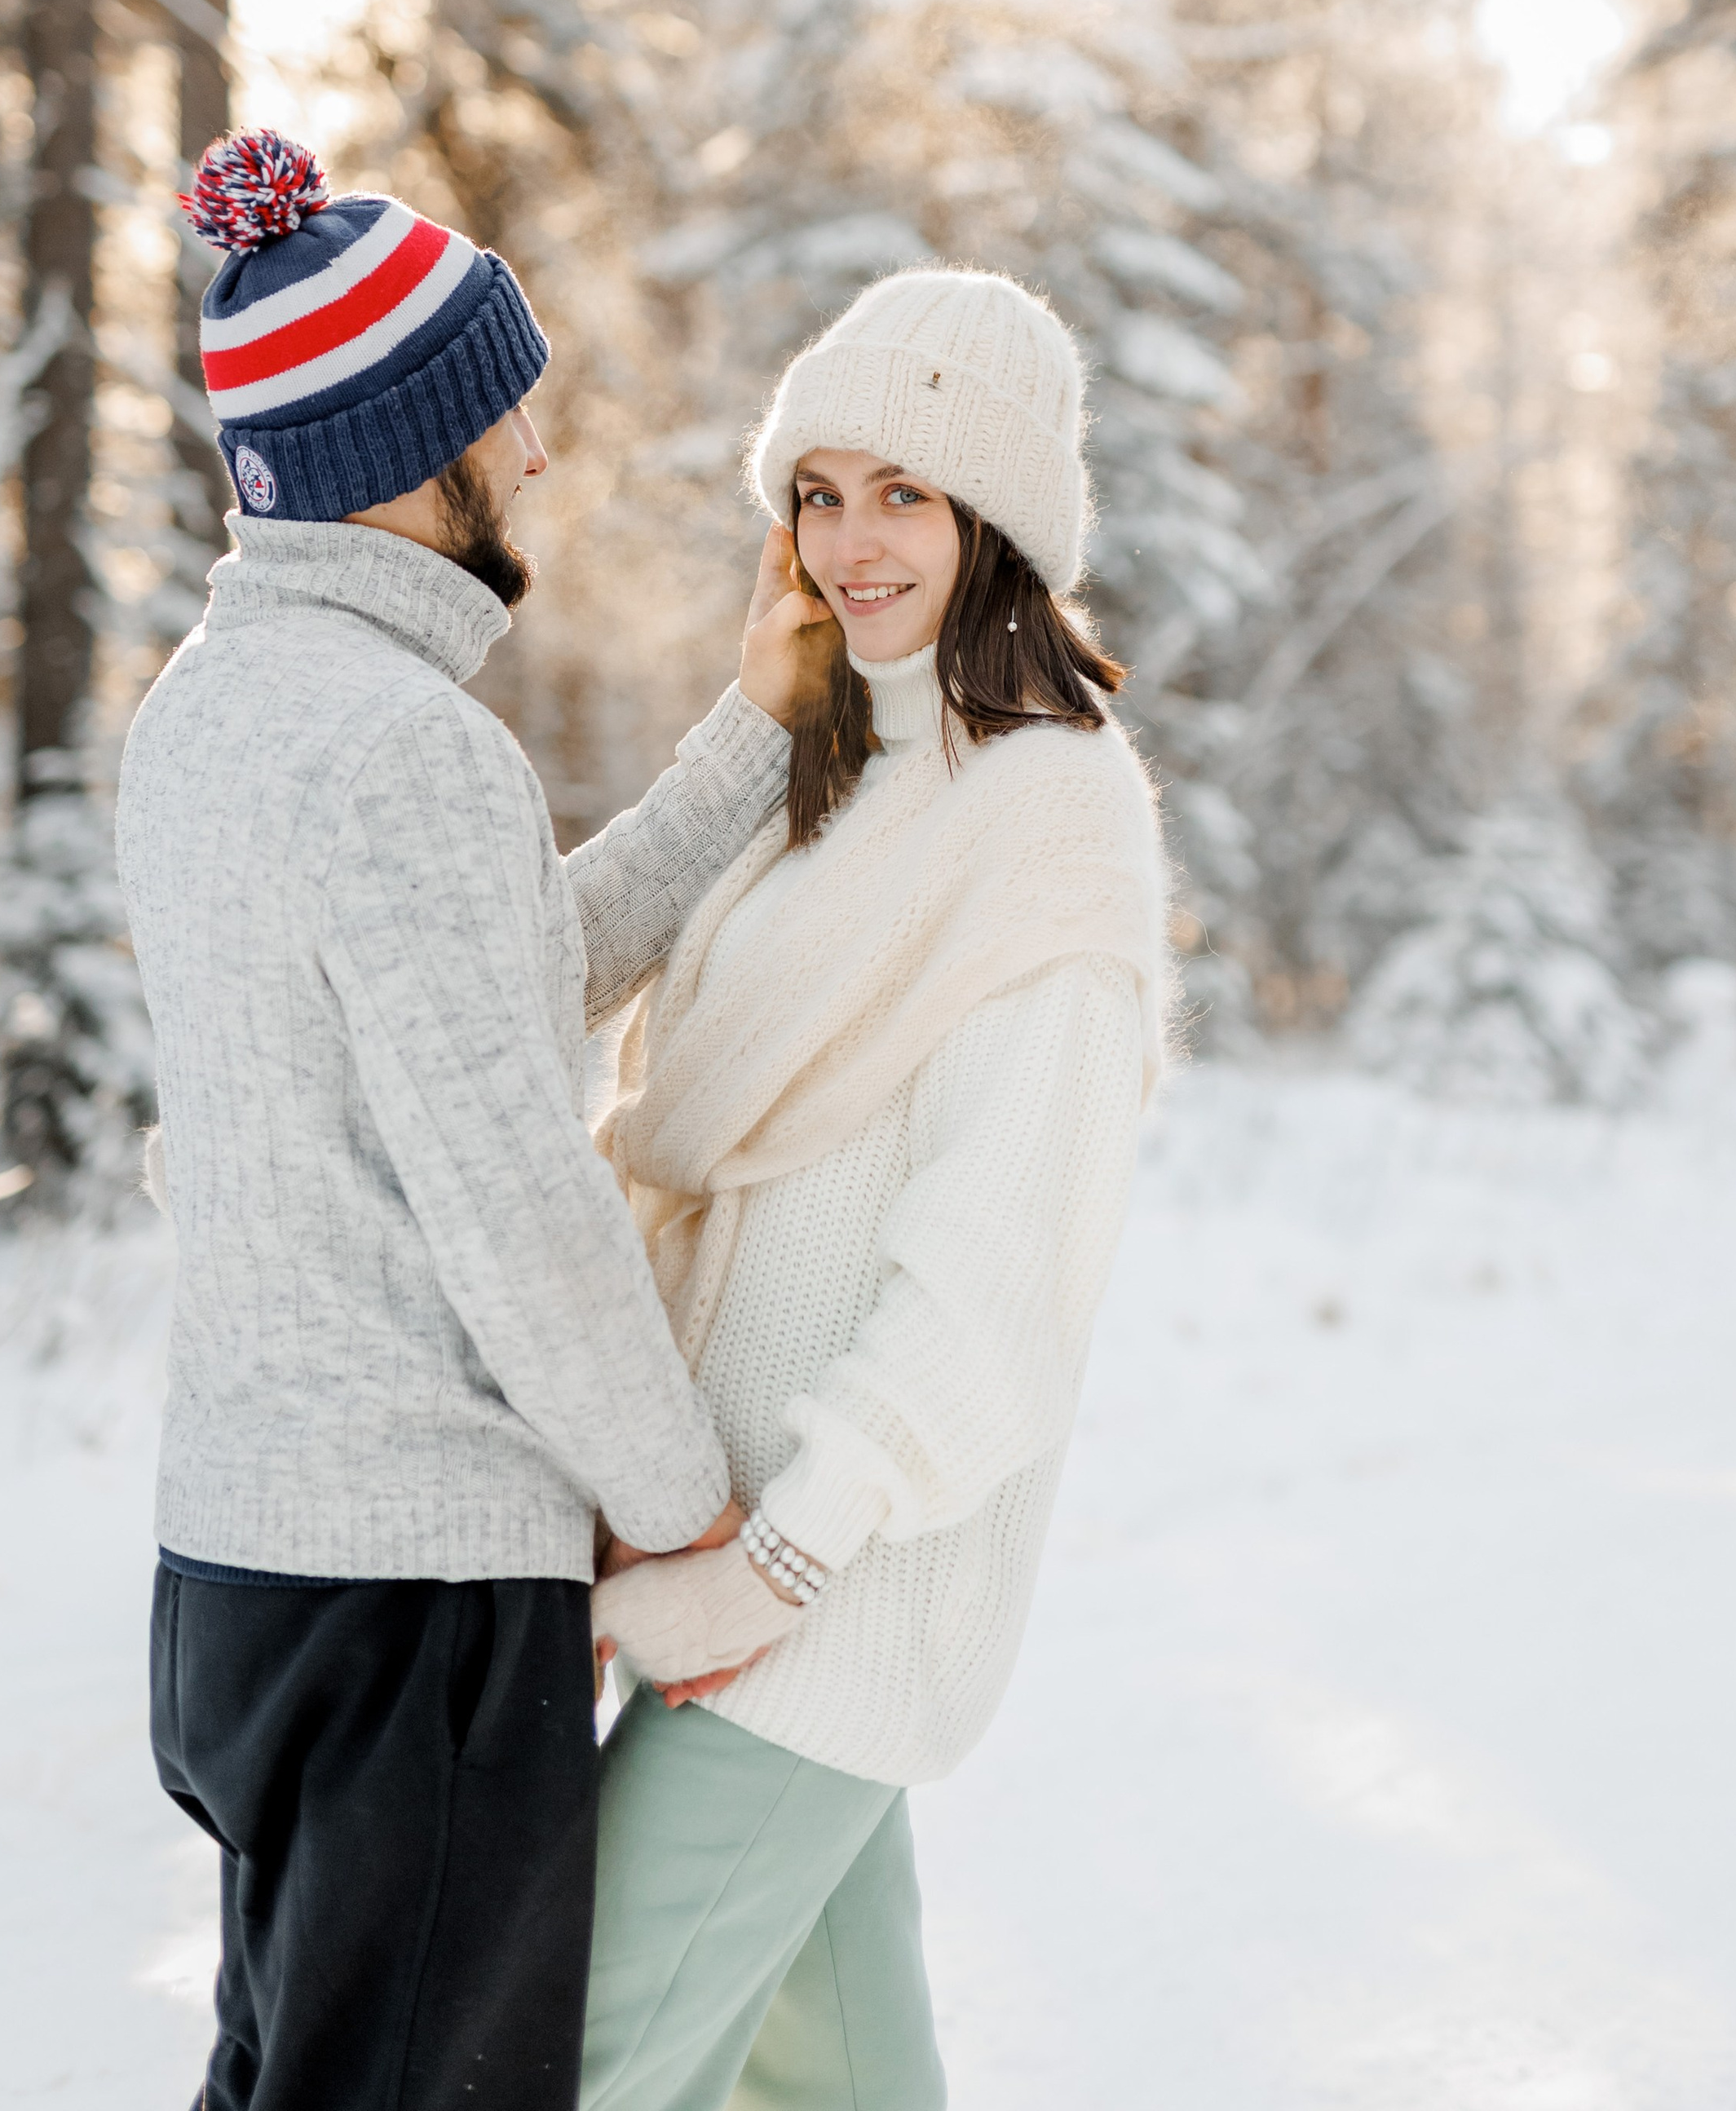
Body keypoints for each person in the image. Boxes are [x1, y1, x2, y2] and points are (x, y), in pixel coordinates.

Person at [115, 127, 820, 2111]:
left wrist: (751, 737)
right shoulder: (400, 752)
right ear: (404, 460)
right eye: (505, 423)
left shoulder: (214, 712)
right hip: (410, 1603)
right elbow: (516, 1199)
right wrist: (686, 1519)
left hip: (245, 1588)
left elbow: (479, 1015)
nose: (535, 462)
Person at [585, 267, 1175, 2111]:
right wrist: (753, 721)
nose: (847, 542)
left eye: (900, 492)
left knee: (571, 2060)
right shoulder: (828, 773)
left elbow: (994, 1285)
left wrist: (771, 1564)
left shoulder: (1049, 817)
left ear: (994, 517)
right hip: (716, 1555)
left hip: (820, 1590)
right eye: (815, 493)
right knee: (833, 2080)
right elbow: (592, 989)